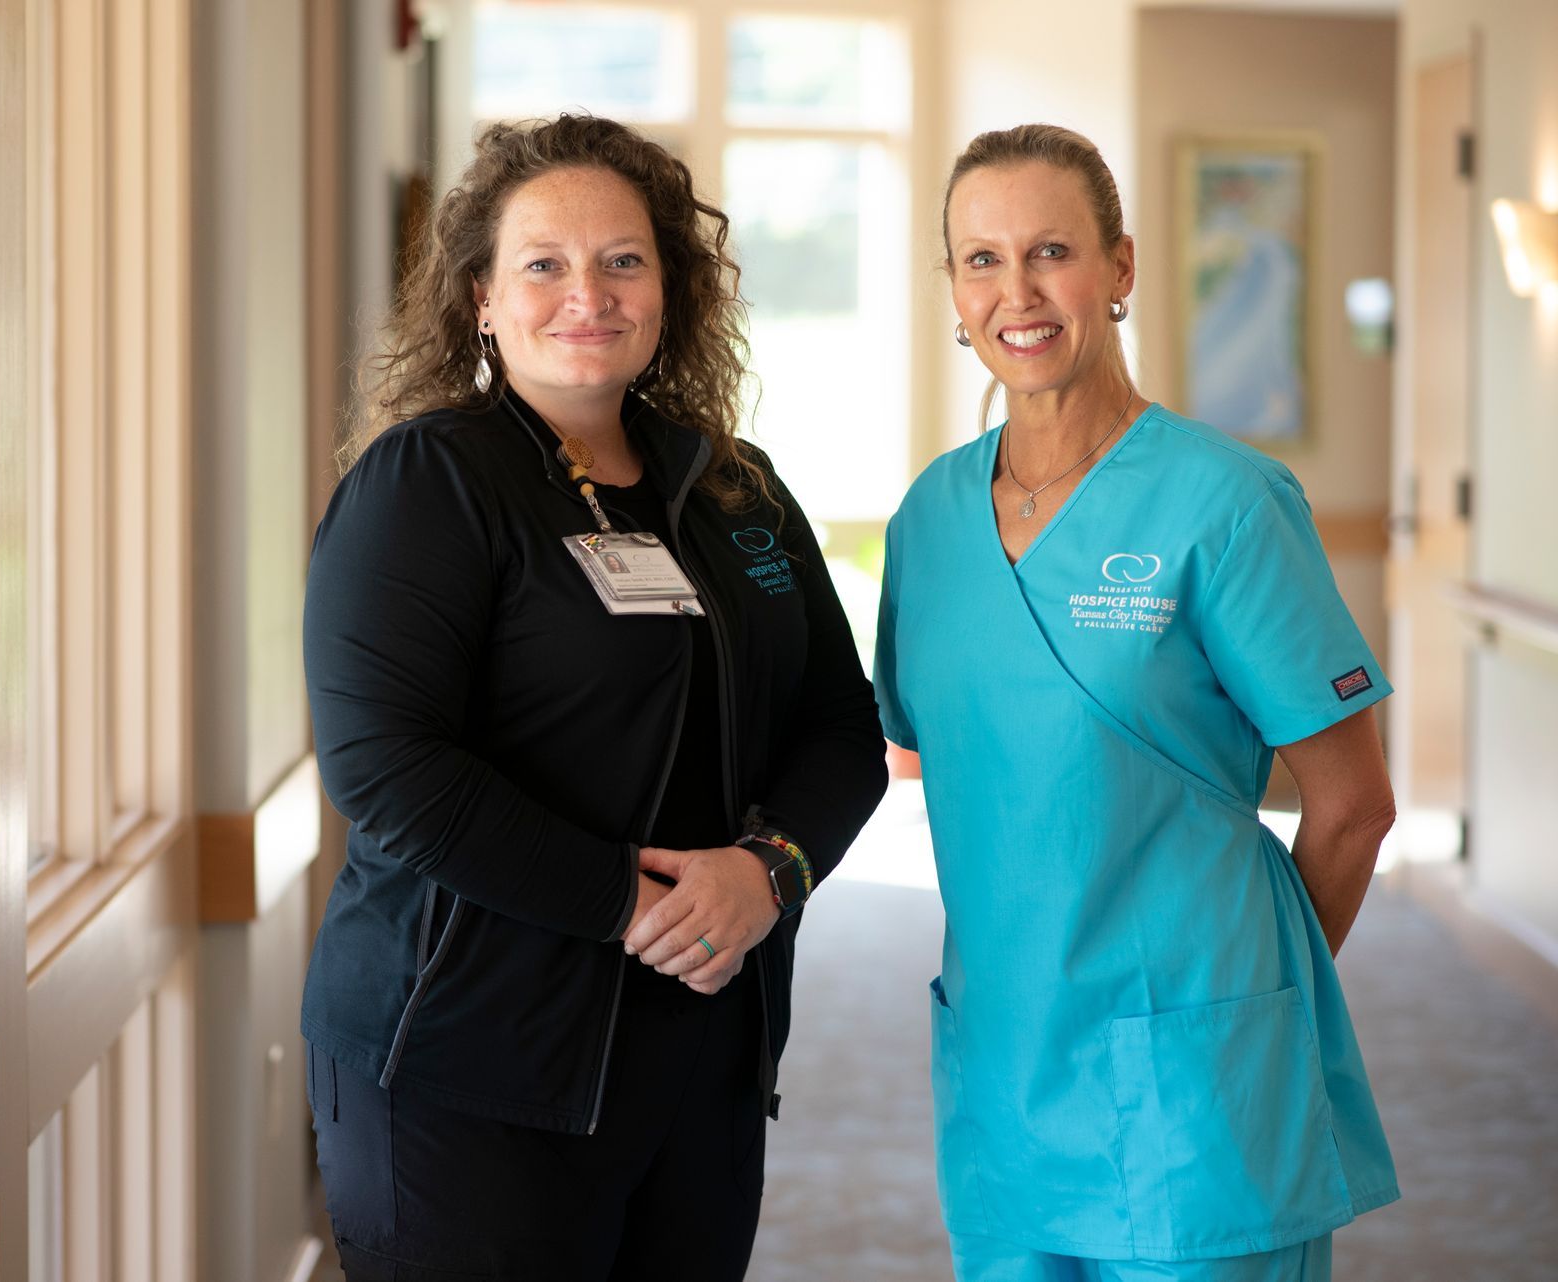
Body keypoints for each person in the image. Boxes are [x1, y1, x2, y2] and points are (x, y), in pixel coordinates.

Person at [302, 113, 887, 1281]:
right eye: (544, 264)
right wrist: (628, 901)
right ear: (481, 298)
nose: (589, 294)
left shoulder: (736, 490)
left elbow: (841, 728)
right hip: (474, 1062)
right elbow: (387, 768)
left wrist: (767, 871)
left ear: (670, 289)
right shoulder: (431, 479)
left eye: (624, 259)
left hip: (704, 1049)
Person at [876, 123, 1399, 1282]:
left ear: (1119, 267)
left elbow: (1354, 805)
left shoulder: (1227, 502)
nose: (1017, 292)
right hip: (1006, 1071)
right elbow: (933, 758)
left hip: (1200, 1092)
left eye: (1052, 251)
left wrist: (1247, 1008)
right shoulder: (929, 523)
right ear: (953, 288)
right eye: (982, 259)